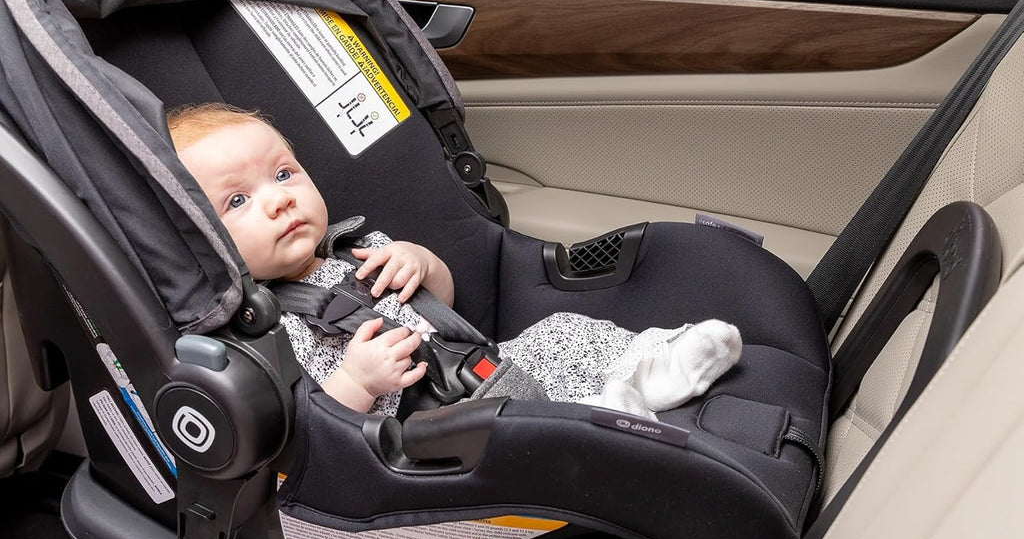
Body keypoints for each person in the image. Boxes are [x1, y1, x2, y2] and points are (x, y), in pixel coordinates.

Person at [168, 103, 741, 418]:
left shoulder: (359, 251)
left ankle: (656, 368)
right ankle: (604, 415)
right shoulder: (263, 330)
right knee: (516, 427)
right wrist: (357, 381)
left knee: (562, 332)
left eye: (284, 173)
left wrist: (421, 264)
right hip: (423, 424)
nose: (279, 200)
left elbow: (440, 305)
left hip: (481, 363)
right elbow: (311, 427)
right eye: (237, 201)